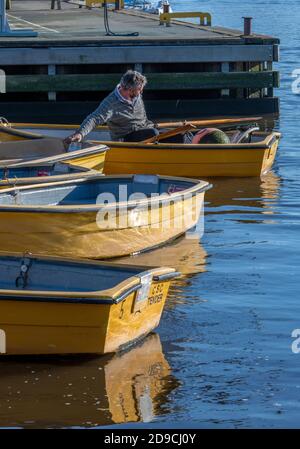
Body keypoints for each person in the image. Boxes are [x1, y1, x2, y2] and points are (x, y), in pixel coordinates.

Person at [64, 70, 159, 146]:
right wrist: (80, 133)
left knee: (171, 135)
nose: (141, 92)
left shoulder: (136, 97)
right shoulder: (110, 103)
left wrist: (151, 125)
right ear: (130, 90)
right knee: (153, 133)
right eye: (139, 90)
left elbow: (143, 120)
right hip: (125, 139)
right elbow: (94, 119)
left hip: (144, 131)